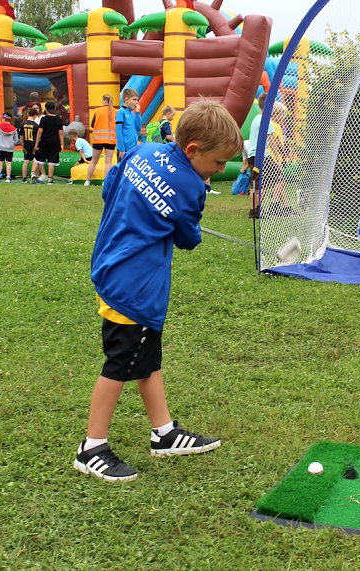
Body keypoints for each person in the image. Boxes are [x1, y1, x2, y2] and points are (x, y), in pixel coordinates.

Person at [73, 100, 244, 482]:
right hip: (133, 286)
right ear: (193, 150)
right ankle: (92, 446)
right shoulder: (191, 188)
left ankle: (163, 433)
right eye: (217, 164)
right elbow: (188, 238)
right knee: (121, 361)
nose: (217, 173)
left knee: (147, 358)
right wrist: (182, 217)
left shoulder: (143, 150)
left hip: (111, 265)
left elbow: (110, 189)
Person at [247, 93, 275, 218]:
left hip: (252, 155)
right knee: (278, 179)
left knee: (255, 183)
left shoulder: (256, 118)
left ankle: (254, 210)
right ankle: (262, 208)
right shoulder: (266, 120)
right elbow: (272, 142)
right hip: (262, 156)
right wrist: (281, 155)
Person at [85, 94, 117, 186]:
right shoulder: (116, 111)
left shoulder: (97, 111)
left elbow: (92, 125)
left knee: (94, 161)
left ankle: (87, 181)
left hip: (98, 139)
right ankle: (105, 182)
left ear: (104, 101)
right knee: (108, 162)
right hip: (111, 140)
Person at [33, 100, 64, 185]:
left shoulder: (43, 119)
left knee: (39, 158)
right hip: (54, 142)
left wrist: (36, 144)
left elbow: (39, 132)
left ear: (46, 109)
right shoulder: (58, 119)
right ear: (54, 108)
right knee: (52, 161)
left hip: (44, 142)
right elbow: (60, 133)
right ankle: (50, 179)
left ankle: (34, 174)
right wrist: (62, 144)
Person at [115, 88, 143, 161]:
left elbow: (138, 128)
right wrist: (121, 149)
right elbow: (119, 132)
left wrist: (137, 113)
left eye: (137, 100)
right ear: (126, 99)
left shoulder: (133, 114)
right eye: (134, 99)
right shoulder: (121, 112)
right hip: (124, 150)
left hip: (133, 148)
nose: (136, 102)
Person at [20, 106, 40, 183]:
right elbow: (38, 137)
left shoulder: (23, 124)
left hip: (26, 145)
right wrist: (36, 146)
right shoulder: (35, 125)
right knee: (36, 161)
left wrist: (22, 146)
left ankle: (24, 178)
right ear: (35, 115)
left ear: (28, 114)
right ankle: (35, 176)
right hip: (33, 145)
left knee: (26, 161)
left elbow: (21, 136)